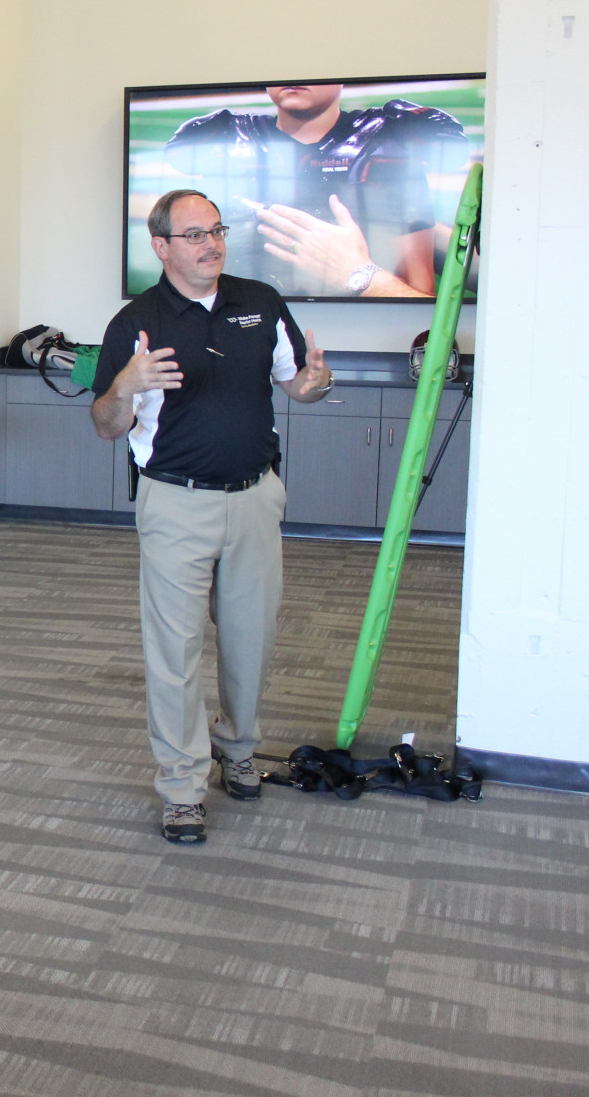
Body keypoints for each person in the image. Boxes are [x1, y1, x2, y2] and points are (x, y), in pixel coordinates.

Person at [91, 189, 332, 845]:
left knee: (251, 641)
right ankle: (180, 783)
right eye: (194, 235)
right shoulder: (135, 324)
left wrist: (317, 382)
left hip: (256, 498)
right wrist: (124, 386)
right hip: (175, 502)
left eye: (217, 231)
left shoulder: (259, 302)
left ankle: (238, 748)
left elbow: (298, 384)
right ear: (162, 247)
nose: (212, 244)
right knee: (175, 652)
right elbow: (107, 425)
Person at [162, 83, 471, 298]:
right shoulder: (229, 138)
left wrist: (358, 273)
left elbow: (419, 297)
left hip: (364, 320)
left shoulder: (389, 138)